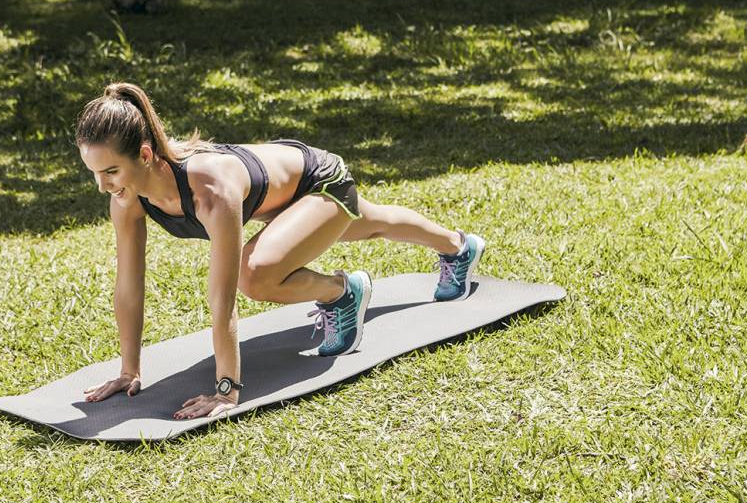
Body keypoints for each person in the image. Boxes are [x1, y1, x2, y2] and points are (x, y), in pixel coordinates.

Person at [76, 83, 485, 420]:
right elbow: (129, 286)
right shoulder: (126, 197)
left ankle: (342, 292)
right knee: (371, 223)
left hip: (321, 182)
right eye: (95, 173)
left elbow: (223, 297)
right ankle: (459, 247)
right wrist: (129, 370)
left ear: (145, 155)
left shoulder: (210, 189)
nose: (103, 185)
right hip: (280, 193)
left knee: (254, 273)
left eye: (110, 171)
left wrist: (226, 390)